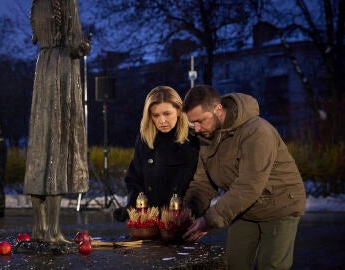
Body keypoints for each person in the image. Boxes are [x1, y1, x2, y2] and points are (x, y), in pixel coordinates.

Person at [182, 85, 306, 270]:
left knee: (271, 265)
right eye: (193, 123)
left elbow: (249, 185)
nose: (197, 129)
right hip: (245, 208)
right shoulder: (207, 138)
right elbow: (203, 182)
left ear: (218, 109)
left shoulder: (257, 131)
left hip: (280, 206)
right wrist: (188, 212)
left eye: (200, 121)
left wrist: (209, 220)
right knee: (234, 264)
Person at [24, 0, 90, 243]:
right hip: (62, 69)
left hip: (43, 67)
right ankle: (53, 231)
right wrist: (85, 46)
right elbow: (74, 44)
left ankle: (38, 228)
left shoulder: (37, 2)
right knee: (58, 142)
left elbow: (35, 37)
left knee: (41, 143)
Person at [113, 86, 199, 221]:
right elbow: (134, 179)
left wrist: (191, 211)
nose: (162, 121)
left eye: (167, 113)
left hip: (182, 220)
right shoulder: (145, 139)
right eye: (156, 115)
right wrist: (133, 207)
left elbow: (199, 184)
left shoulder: (193, 139)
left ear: (178, 110)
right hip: (149, 221)